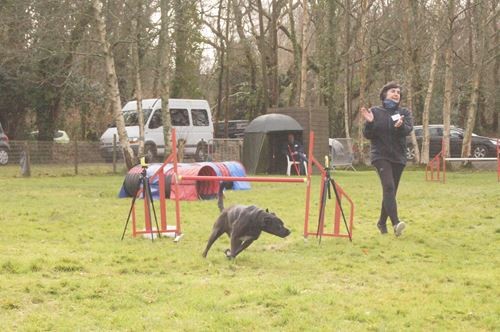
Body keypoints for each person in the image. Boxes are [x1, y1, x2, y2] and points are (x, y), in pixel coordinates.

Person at [361, 82, 413, 236]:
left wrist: (401, 126)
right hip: (381, 156)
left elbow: (408, 129)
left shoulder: (404, 112)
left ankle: (381, 222)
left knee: (390, 192)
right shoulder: (375, 111)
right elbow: (367, 135)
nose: (396, 94)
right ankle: (396, 223)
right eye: (392, 91)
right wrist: (370, 123)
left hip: (398, 157)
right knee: (389, 187)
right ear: (384, 94)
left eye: (398, 92)